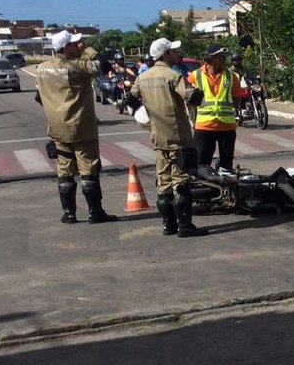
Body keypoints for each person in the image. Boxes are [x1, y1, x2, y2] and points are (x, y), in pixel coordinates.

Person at [35, 30, 118, 224]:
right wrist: (88, 49)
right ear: (66, 47)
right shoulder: (77, 66)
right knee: (88, 168)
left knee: (64, 169)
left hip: (57, 128)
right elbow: (103, 66)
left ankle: (69, 213)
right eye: (75, 43)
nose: (78, 45)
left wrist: (56, 110)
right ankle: (95, 212)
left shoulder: (42, 68)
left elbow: (39, 97)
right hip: (80, 127)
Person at [128, 38, 208, 237]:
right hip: (178, 138)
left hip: (158, 138)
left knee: (163, 183)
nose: (177, 53)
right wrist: (198, 92)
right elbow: (193, 98)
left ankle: (168, 225)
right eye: (173, 51)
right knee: (181, 181)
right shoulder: (173, 75)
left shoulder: (143, 77)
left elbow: (130, 99)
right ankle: (185, 226)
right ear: (164, 54)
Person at [187, 45, 243, 173]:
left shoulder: (231, 76)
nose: (224, 59)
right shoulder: (195, 76)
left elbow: (236, 98)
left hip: (226, 126)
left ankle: (225, 189)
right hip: (204, 126)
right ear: (212, 57)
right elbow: (187, 96)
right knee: (201, 163)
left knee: (226, 165)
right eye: (221, 56)